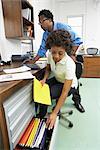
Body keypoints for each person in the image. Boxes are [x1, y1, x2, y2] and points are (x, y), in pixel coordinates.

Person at [39, 29, 85, 129]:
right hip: (58, 78)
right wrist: (44, 79)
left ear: (65, 50)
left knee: (49, 93)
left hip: (69, 85)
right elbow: (48, 68)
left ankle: (51, 114)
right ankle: (41, 117)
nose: (56, 56)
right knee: (40, 88)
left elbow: (64, 92)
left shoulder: (69, 64)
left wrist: (54, 113)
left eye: (60, 53)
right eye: (53, 52)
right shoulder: (50, 55)